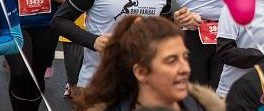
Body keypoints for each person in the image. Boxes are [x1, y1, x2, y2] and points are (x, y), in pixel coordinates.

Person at [75, 15, 224, 111]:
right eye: (171, 61)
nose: (185, 68)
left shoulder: (205, 106)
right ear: (141, 72)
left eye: (185, 57)